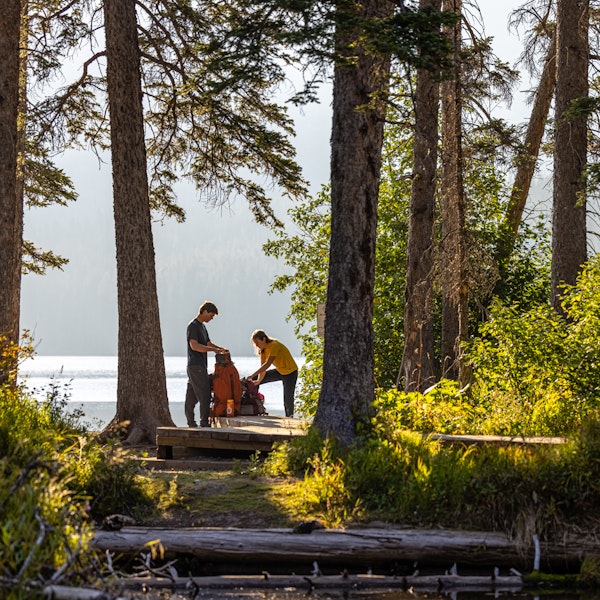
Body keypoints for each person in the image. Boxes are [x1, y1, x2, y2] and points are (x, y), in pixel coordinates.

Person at [185, 301, 228, 428]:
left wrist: (220, 349)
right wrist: (213, 351)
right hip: (195, 365)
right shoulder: (193, 326)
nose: (212, 318)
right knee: (205, 394)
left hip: (200, 366)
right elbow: (195, 346)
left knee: (191, 397)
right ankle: (204, 423)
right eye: (211, 315)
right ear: (204, 312)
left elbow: (208, 343)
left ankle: (191, 423)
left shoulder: (202, 327)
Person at [248, 329, 298, 418]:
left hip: (291, 372)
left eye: (257, 343)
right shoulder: (263, 351)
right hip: (280, 371)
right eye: (255, 344)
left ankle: (289, 417)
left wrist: (252, 375)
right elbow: (262, 368)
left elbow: (267, 364)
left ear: (264, 339)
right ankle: (253, 404)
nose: (257, 346)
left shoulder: (274, 345)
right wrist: (259, 380)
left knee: (288, 397)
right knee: (254, 380)